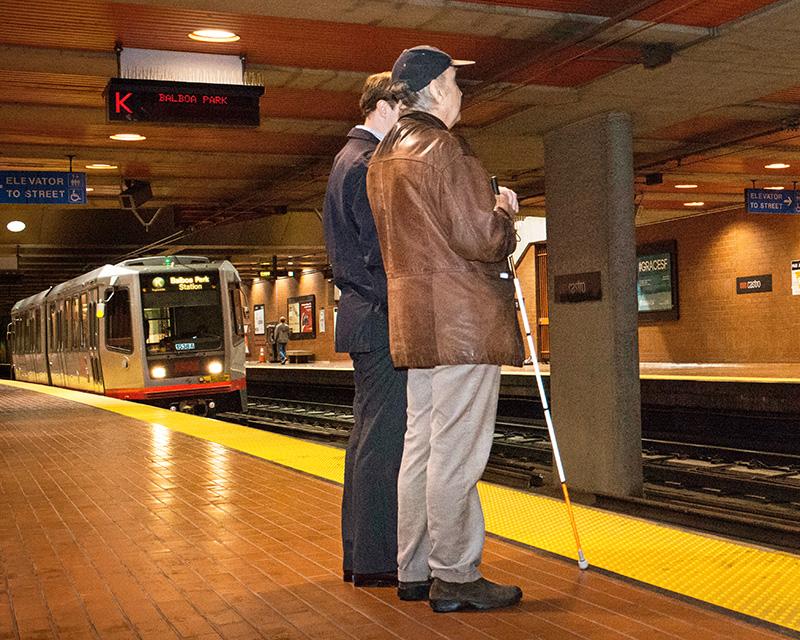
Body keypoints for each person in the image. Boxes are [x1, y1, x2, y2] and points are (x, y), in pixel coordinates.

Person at [366, 46, 525, 612]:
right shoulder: (442, 148)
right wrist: (504, 213)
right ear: (433, 88)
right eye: (456, 82)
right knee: (456, 454)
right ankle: (456, 574)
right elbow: (480, 238)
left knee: (422, 449)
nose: (461, 93)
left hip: (417, 325)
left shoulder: (383, 156)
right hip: (462, 323)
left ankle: (413, 569)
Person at [322, 72, 409, 591]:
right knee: (383, 441)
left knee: (365, 441)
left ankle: (361, 555)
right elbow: (376, 254)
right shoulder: (365, 163)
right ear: (383, 107)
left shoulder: (346, 160)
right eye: (403, 111)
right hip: (378, 319)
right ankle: (378, 559)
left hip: (362, 318)